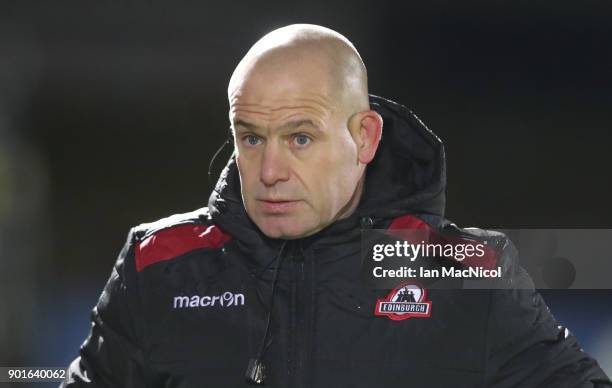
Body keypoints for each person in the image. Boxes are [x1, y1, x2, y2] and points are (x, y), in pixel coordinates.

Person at [62, 24, 611, 387]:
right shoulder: (159, 267)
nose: (271, 172)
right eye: (251, 138)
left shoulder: (462, 273)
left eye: (300, 138)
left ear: (365, 139)